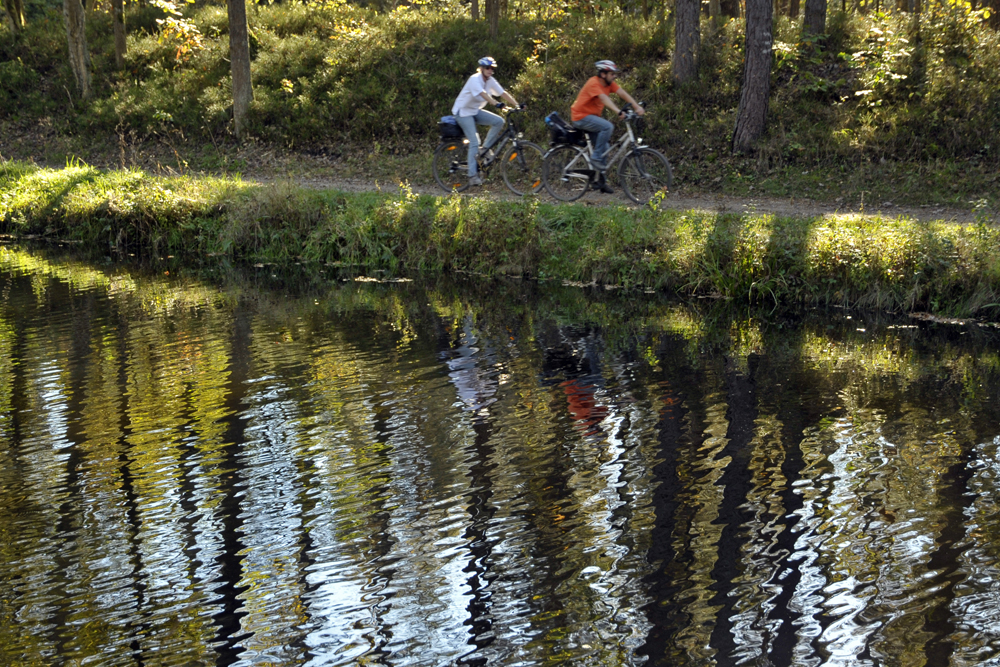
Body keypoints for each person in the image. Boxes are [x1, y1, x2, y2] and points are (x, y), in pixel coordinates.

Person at [570, 60, 645, 193]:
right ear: (603, 74)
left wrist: (636, 106)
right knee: (607, 127)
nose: (614, 76)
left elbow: (622, 93)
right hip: (580, 117)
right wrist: (618, 112)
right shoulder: (594, 82)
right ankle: (595, 158)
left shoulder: (609, 84)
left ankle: (600, 181)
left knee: (605, 147)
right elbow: (604, 99)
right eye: (612, 73)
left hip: (591, 118)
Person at [452, 56, 521, 186]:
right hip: (463, 112)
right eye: (488, 68)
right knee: (474, 141)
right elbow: (483, 94)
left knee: (498, 121)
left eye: (492, 68)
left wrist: (517, 105)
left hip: (474, 110)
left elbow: (502, 93)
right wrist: (496, 104)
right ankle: (472, 175)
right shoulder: (474, 79)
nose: (490, 70)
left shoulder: (490, 80)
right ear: (482, 69)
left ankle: (483, 149)